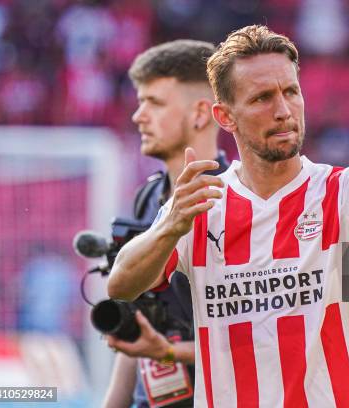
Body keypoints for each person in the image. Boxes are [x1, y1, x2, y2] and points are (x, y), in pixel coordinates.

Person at [108, 22, 349, 407]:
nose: (283, 110)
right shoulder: (203, 204)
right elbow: (122, 285)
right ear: (225, 116)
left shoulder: (343, 191)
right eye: (262, 98)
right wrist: (169, 226)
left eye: (291, 92)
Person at [102, 39, 228, 408]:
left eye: (153, 103)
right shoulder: (148, 197)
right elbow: (137, 328)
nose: (138, 116)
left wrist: (172, 353)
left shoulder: (236, 199)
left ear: (201, 114)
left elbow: (267, 343)